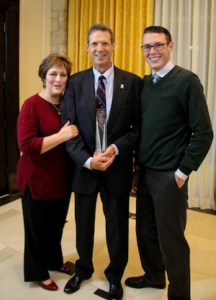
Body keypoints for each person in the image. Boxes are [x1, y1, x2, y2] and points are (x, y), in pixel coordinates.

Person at [125, 26, 213, 300]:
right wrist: (138, 168)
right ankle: (154, 276)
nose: (152, 51)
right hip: (147, 173)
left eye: (158, 45)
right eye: (147, 47)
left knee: (172, 241)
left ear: (170, 46)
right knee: (146, 231)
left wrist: (182, 171)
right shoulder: (144, 84)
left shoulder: (187, 81)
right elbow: (146, 131)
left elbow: (204, 132)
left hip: (169, 177)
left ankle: (179, 294)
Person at [61, 23, 141, 300]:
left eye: (105, 43)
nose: (100, 48)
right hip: (85, 168)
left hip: (117, 166)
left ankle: (115, 276)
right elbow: (68, 129)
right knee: (83, 224)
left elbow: (138, 129)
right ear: (87, 48)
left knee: (117, 225)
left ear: (114, 46)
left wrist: (116, 149)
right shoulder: (75, 83)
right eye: (94, 43)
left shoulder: (132, 82)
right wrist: (86, 160)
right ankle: (82, 270)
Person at [17, 53, 79, 291]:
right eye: (53, 73)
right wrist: (60, 136)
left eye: (63, 74)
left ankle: (54, 260)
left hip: (61, 179)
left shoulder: (67, 103)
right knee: (37, 230)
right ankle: (38, 271)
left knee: (56, 226)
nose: (58, 79)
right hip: (36, 179)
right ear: (44, 76)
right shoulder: (32, 104)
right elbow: (26, 145)